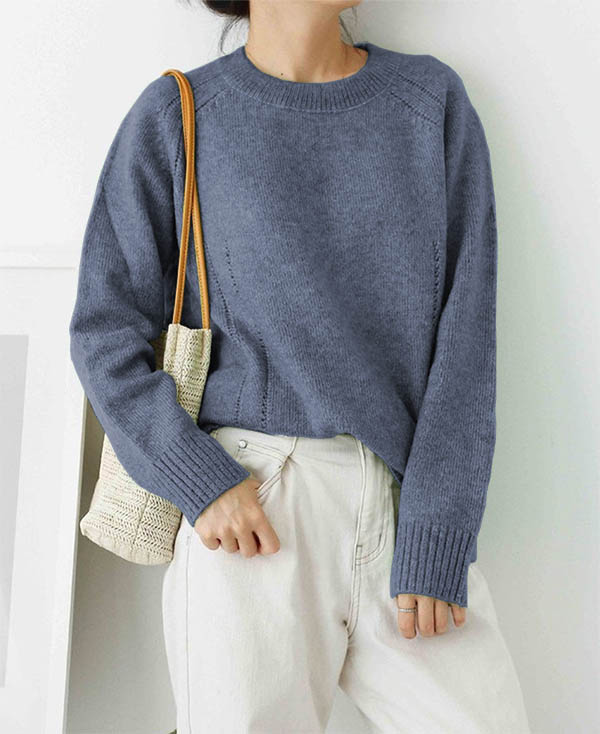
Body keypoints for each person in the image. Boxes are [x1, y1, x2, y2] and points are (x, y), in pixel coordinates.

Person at [69, 0, 532, 731]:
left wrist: (439, 527)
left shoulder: (429, 103)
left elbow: (467, 337)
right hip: (252, 506)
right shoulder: (179, 115)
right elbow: (103, 329)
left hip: (402, 508)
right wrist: (202, 482)